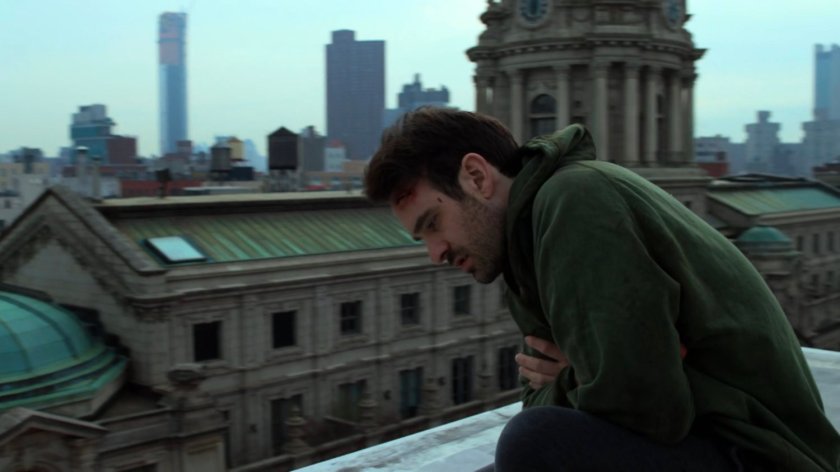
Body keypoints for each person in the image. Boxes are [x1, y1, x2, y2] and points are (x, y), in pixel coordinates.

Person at [364, 107, 840, 471]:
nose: (435, 253)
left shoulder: (575, 200)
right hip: (709, 441)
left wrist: (585, 375)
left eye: (433, 224)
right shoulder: (523, 249)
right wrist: (593, 373)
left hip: (760, 456)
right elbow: (547, 386)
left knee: (536, 441)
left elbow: (644, 405)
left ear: (476, 177)